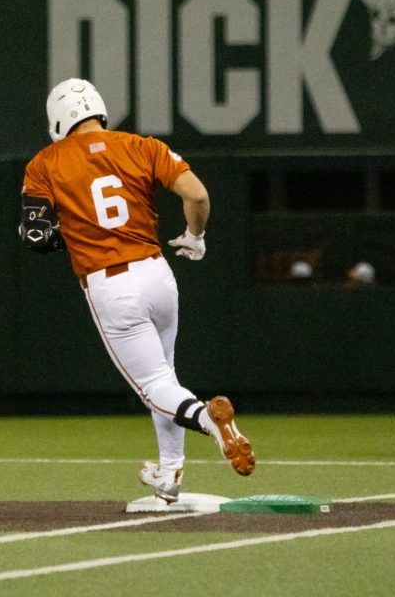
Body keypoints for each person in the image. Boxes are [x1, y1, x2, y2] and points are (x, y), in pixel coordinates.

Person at [19, 78, 254, 504]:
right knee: (166, 378)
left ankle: (208, 419)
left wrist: (70, 229)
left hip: (112, 286)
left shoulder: (44, 163)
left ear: (57, 119)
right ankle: (169, 475)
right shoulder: (142, 146)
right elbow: (197, 195)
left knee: (154, 386)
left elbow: (36, 236)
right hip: (158, 274)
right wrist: (194, 237)